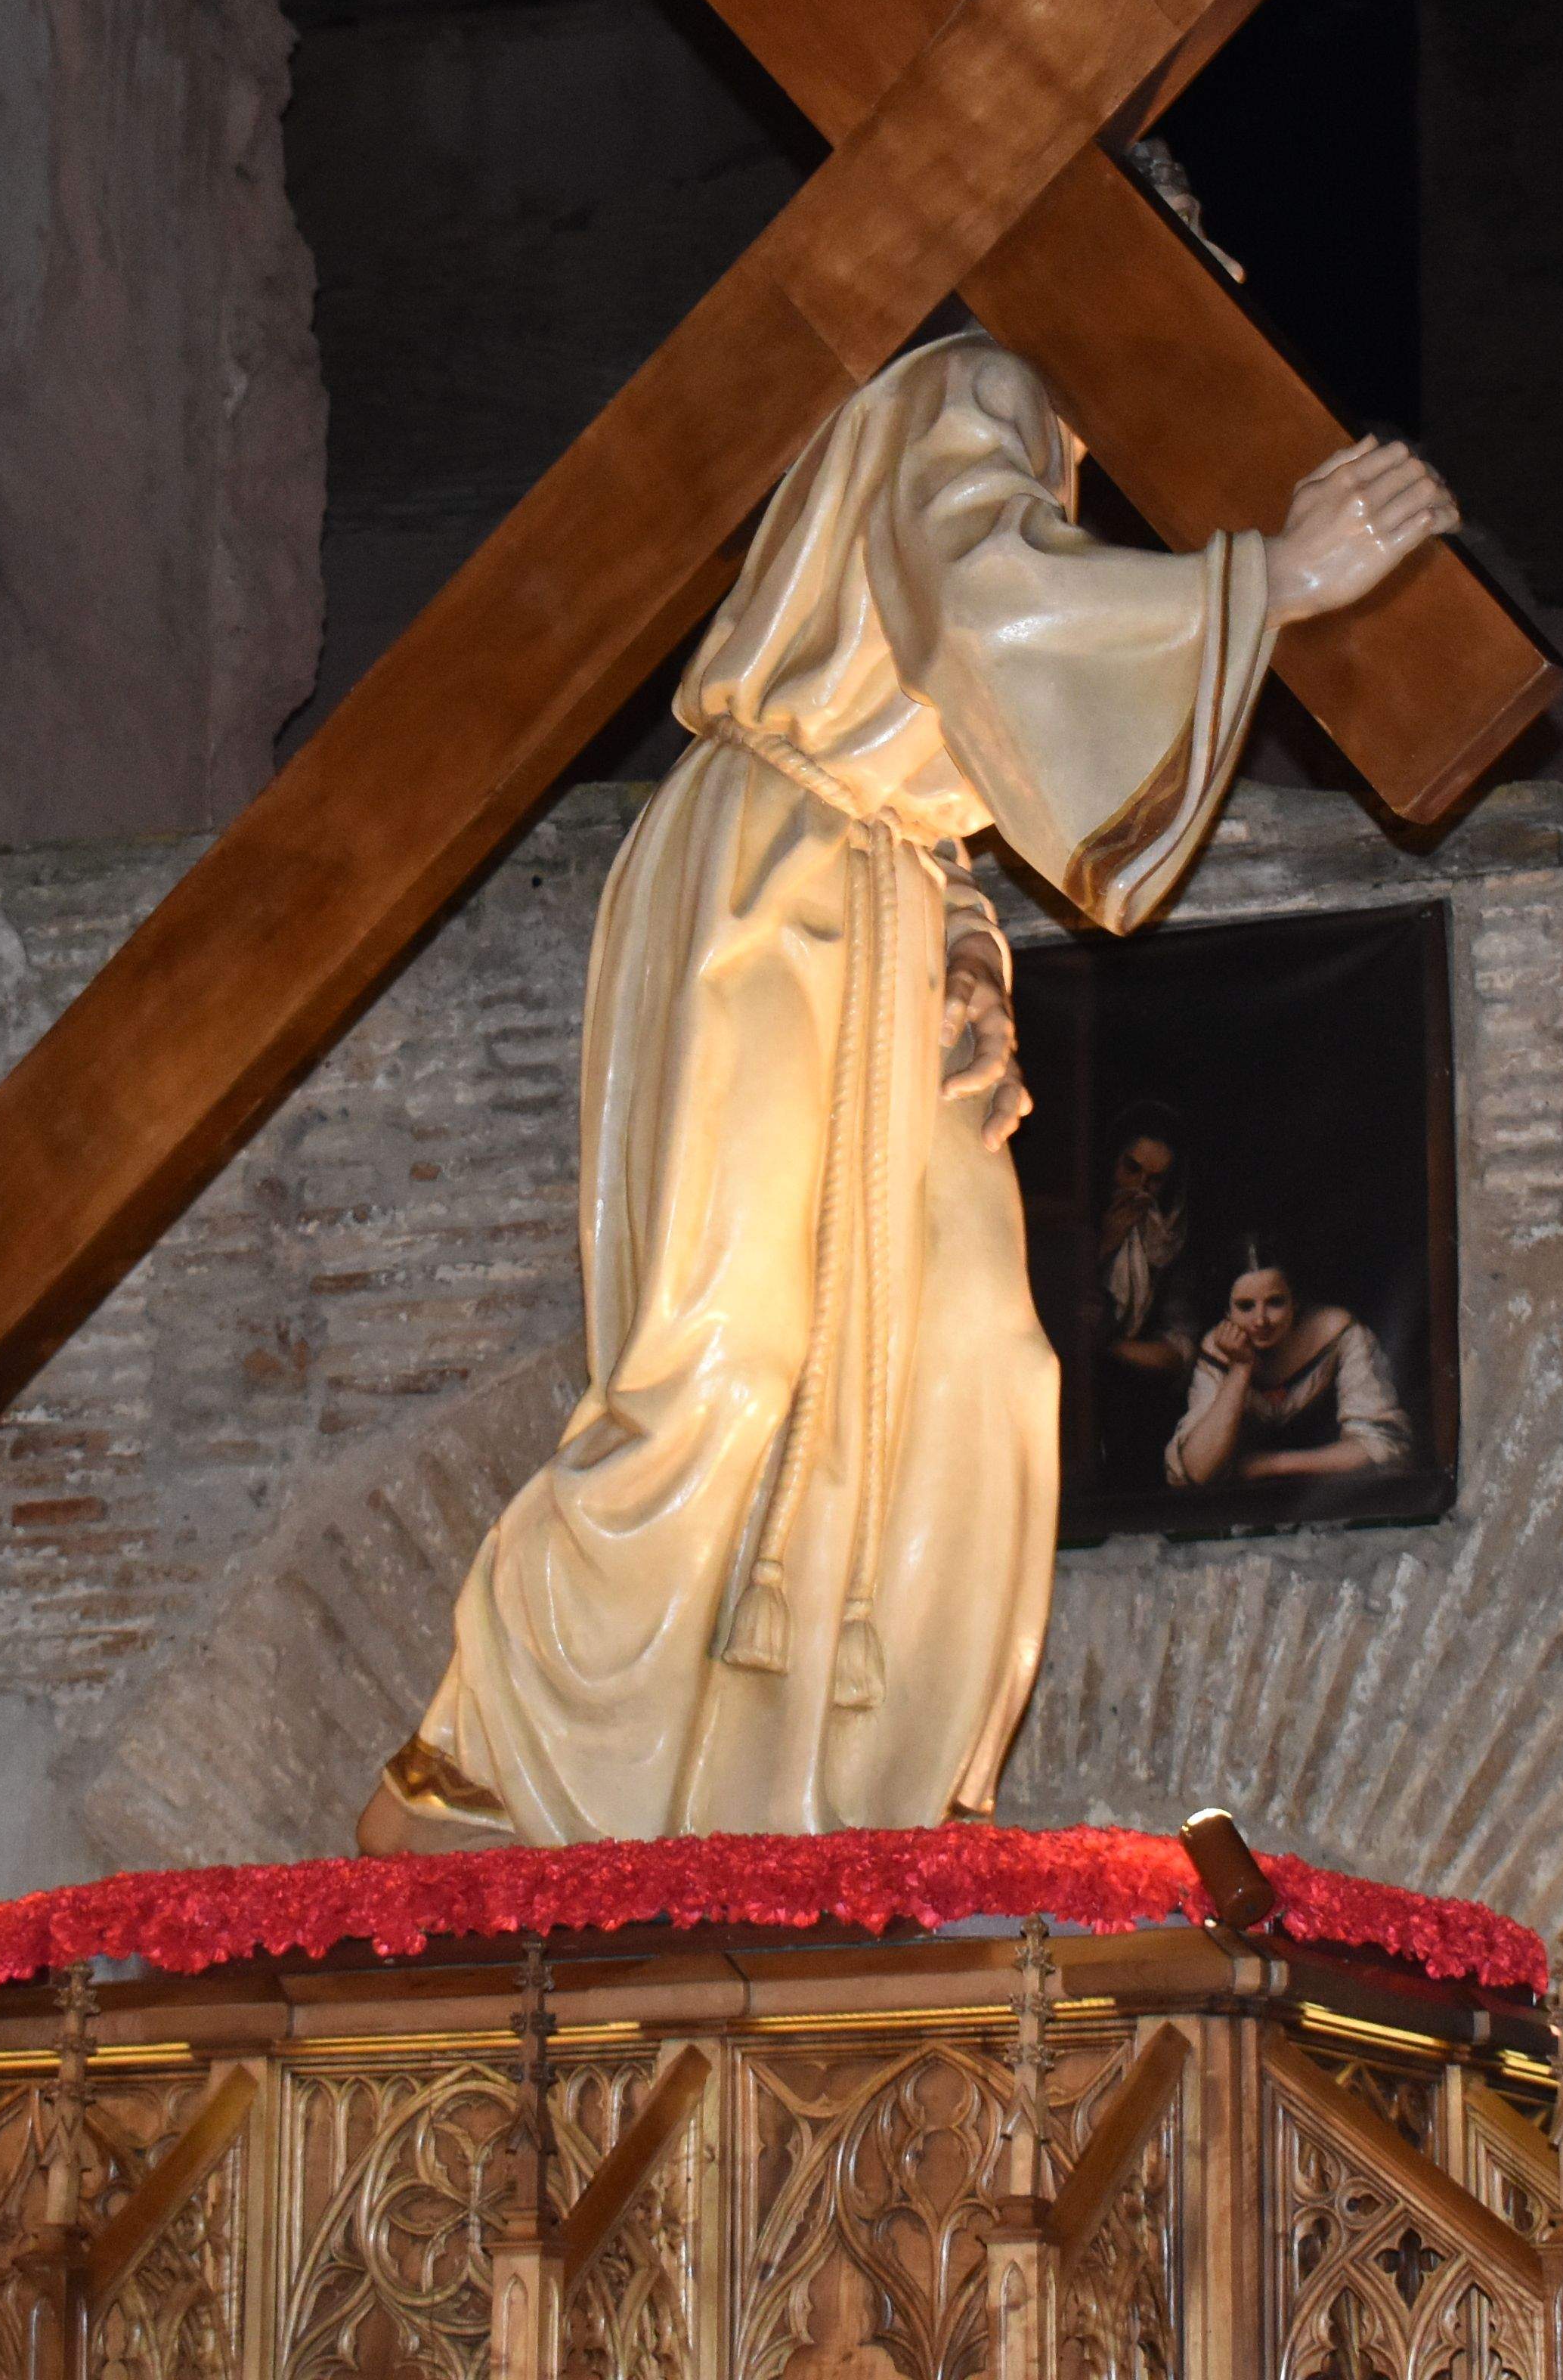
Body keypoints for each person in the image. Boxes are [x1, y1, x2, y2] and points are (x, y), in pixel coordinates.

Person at [358, 333, 1456, 1850]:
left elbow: (963, 724)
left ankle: (853, 1811)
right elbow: (984, 594)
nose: (1226, 292)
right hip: (774, 877)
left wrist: (963, 939)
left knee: (981, 1359)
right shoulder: (985, 378)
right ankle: (483, 1776)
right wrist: (1273, 576)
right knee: (730, 1352)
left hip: (888, 886)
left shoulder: (1041, 433)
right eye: (1198, 252)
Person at [1162, 1239, 1412, 1486]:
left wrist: (1272, 1465)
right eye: (1246, 1306)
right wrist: (1241, 1368)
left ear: (1295, 1301)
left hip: (1333, 1495)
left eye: (1275, 1302)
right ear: (1227, 1311)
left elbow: (1382, 1447)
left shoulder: (1338, 1333)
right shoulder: (1220, 1348)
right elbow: (1196, 1470)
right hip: (1243, 1504)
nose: (1261, 1321)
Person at [1089, 1103, 1199, 1388]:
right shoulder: (1085, 1217)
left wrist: (1110, 1347)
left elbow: (1179, 1350)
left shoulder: (1169, 1240)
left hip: (1137, 1387)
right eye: (1131, 1169)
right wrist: (1107, 1245)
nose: (1140, 1187)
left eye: (1155, 1180)